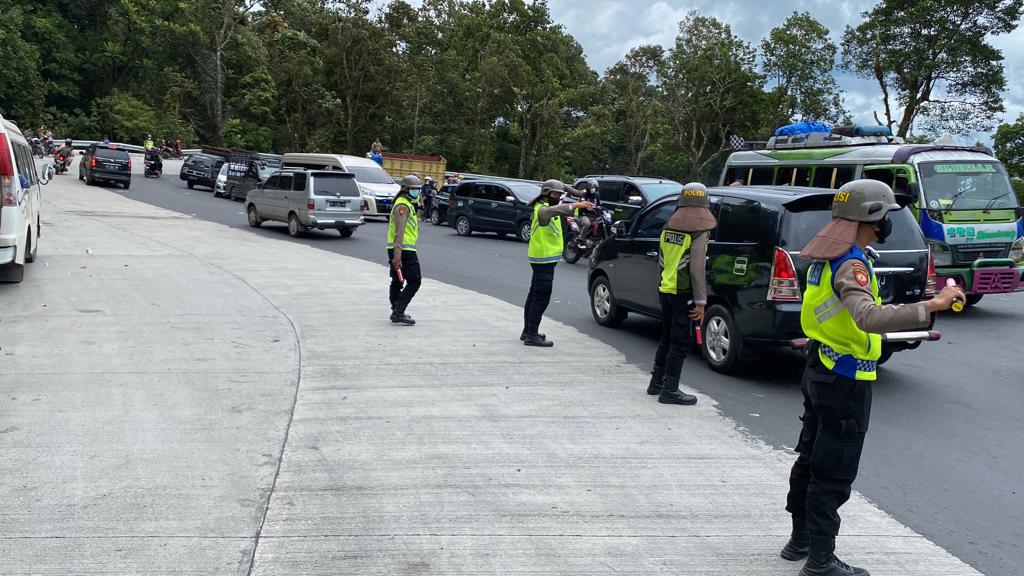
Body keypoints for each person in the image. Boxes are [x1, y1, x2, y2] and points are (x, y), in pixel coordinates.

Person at [780, 179, 964, 576]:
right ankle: (820, 561)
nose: (888, 222)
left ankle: (800, 541)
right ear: (873, 218)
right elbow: (868, 316)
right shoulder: (851, 264)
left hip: (820, 368)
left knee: (811, 459)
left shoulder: (827, 256)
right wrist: (932, 305)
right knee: (833, 470)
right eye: (887, 214)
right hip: (844, 378)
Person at [646, 182, 716, 406]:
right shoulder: (699, 232)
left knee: (667, 337)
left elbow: (662, 260)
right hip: (683, 293)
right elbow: (696, 269)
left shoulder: (668, 227)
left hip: (665, 289)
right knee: (681, 342)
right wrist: (701, 302)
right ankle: (670, 390)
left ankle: (656, 383)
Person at [521, 179, 593, 347]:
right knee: (541, 298)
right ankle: (532, 335)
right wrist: (576, 205)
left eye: (560, 195)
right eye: (555, 194)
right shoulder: (543, 210)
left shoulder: (546, 207)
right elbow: (557, 209)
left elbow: (567, 204)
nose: (558, 197)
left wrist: (565, 189)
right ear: (546, 194)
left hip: (543, 258)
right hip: (542, 259)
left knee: (534, 295)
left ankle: (528, 331)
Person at [387, 174, 424, 326]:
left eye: (418, 189)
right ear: (405, 190)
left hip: (398, 248)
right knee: (415, 281)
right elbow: (399, 231)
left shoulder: (406, 203)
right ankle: (399, 310)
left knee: (397, 281)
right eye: (414, 189)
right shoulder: (402, 206)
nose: (417, 192)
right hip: (403, 250)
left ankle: (396, 311)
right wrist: (397, 256)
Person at [576, 178, 602, 246]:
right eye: (591, 187)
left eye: (594, 187)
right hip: (584, 215)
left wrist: (601, 208)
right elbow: (581, 204)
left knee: (602, 224)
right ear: (588, 188)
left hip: (594, 215)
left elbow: (599, 205)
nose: (593, 189)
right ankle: (581, 238)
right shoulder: (584, 195)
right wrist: (586, 206)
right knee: (587, 224)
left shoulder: (597, 195)